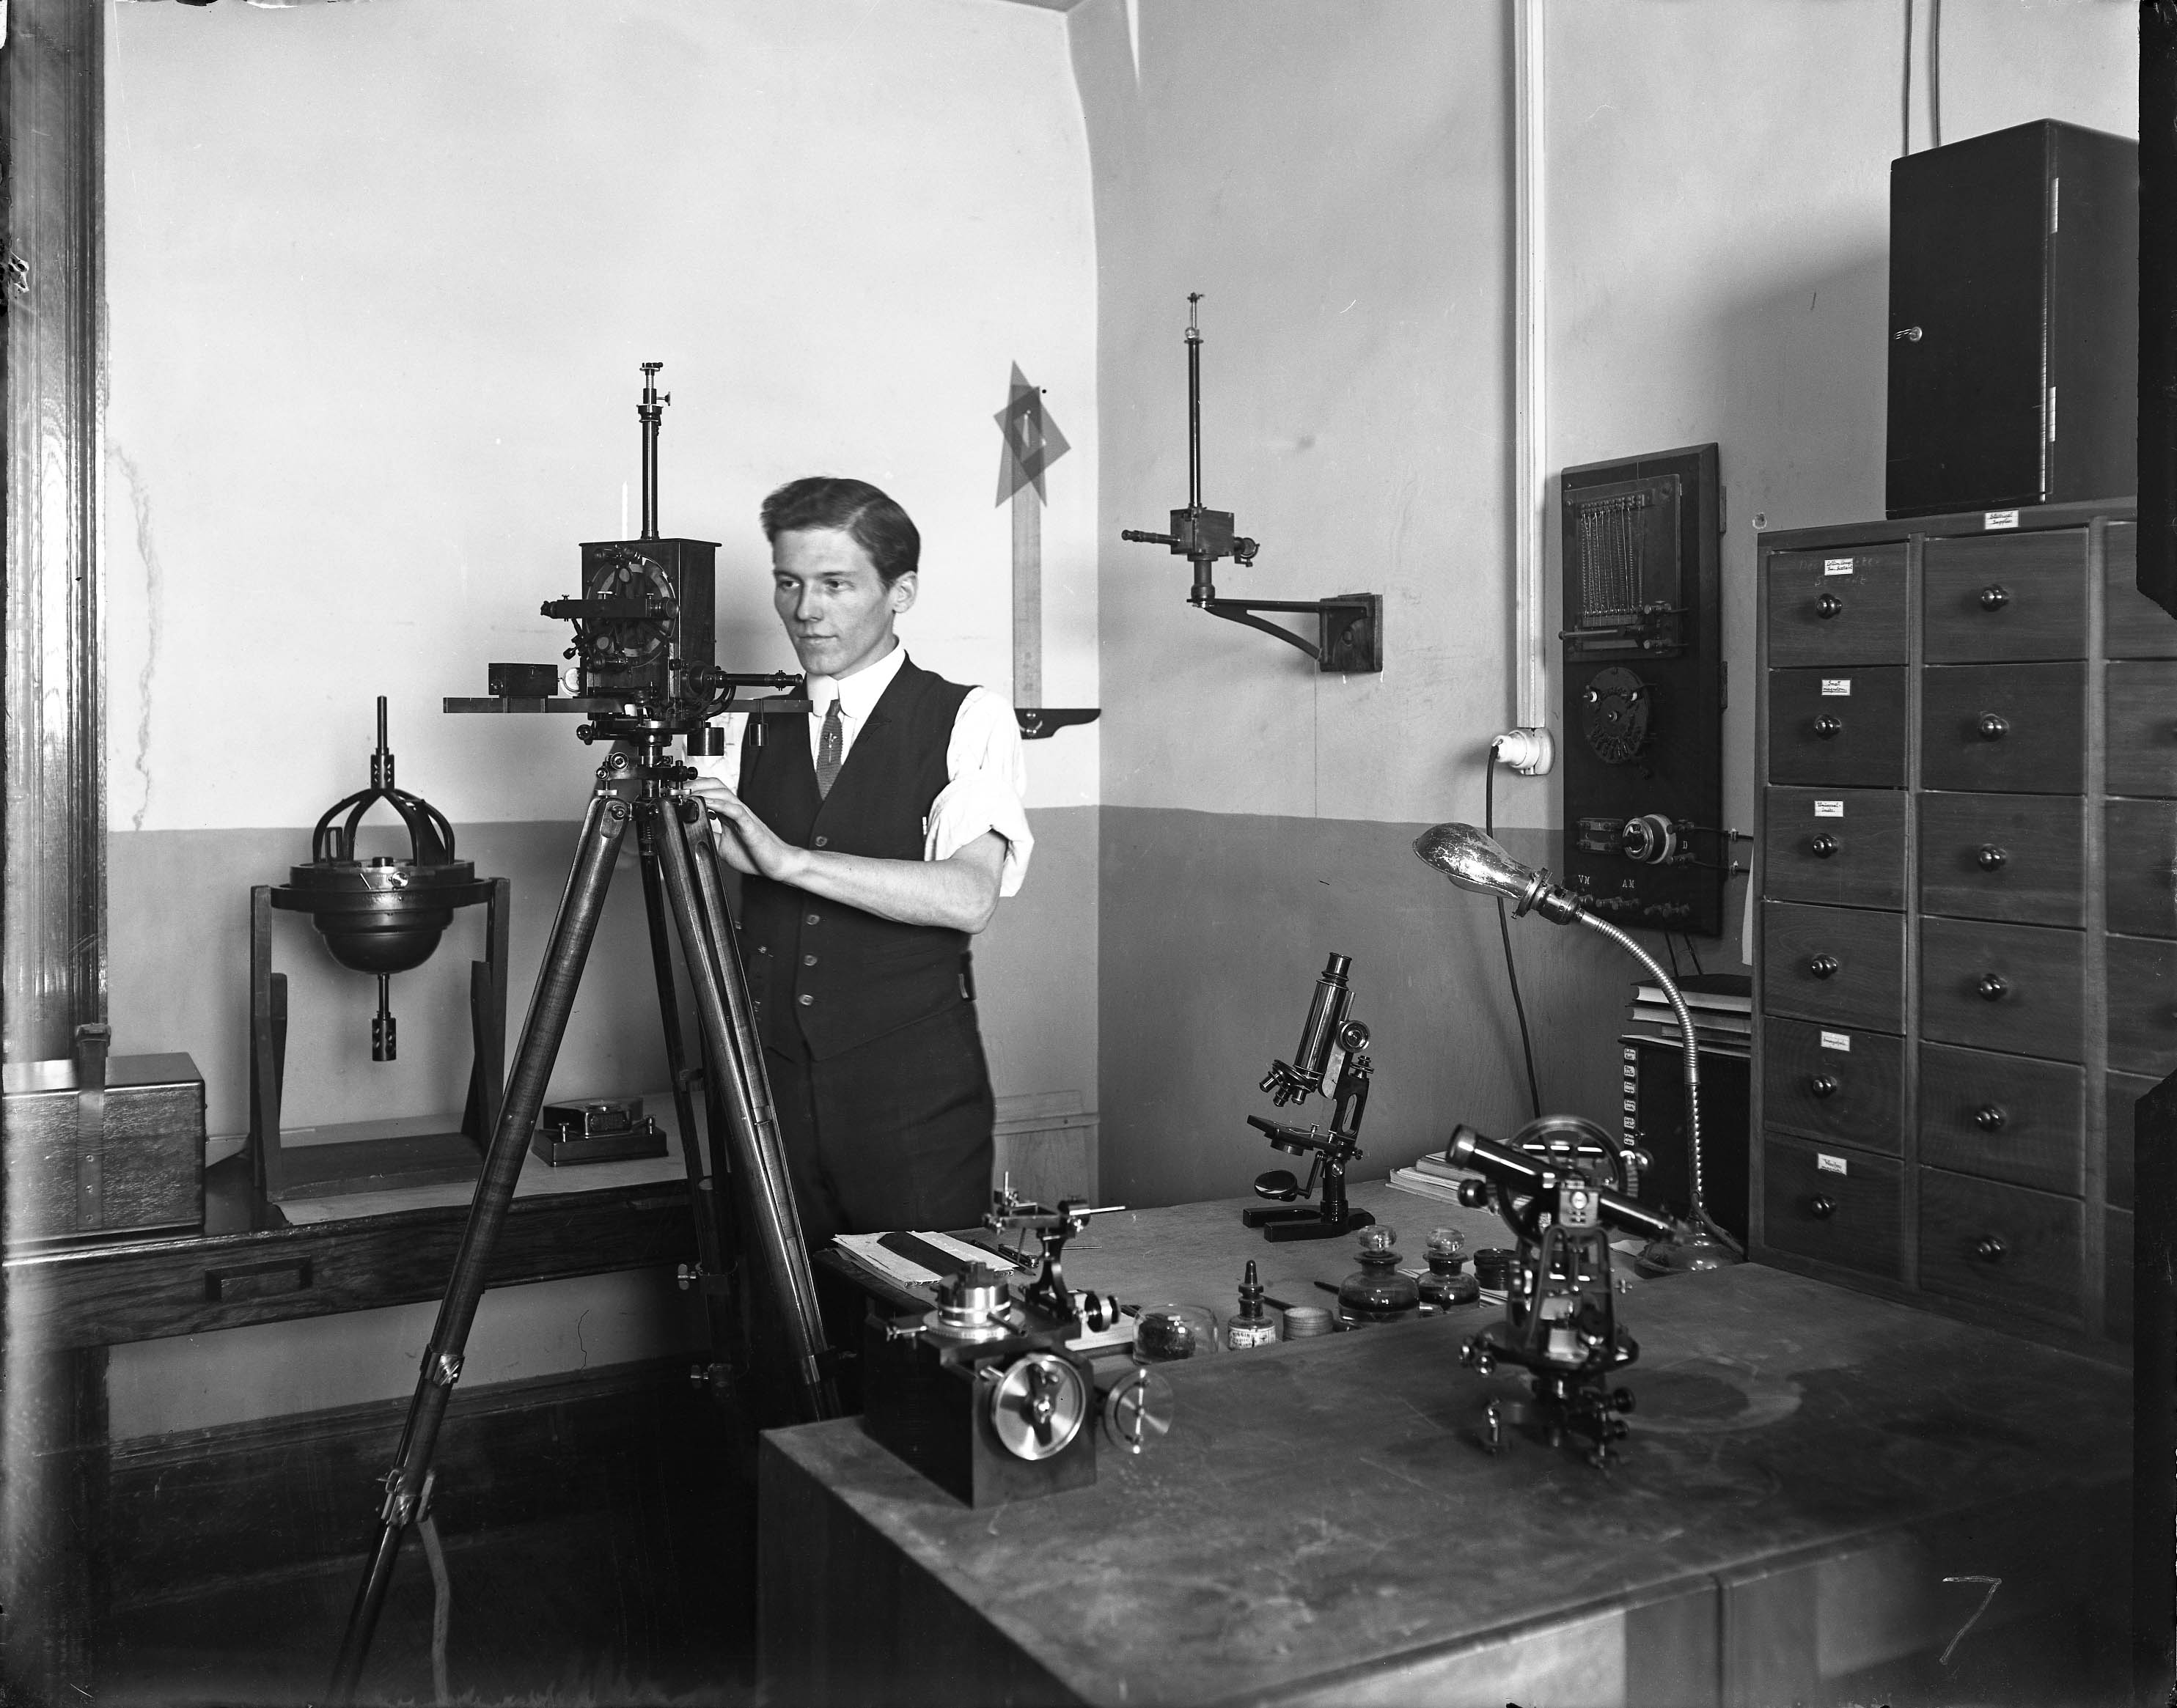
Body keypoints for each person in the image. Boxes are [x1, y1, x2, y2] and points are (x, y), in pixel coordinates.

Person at [687, 476, 1031, 1243]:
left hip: (910, 1101)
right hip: (766, 1088)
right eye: (788, 583)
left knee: (916, 1326)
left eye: (835, 585)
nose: (805, 612)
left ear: (900, 590)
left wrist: (787, 862)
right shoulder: (740, 726)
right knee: (780, 1333)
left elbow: (967, 897)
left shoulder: (966, 716)